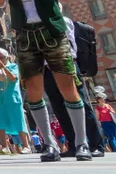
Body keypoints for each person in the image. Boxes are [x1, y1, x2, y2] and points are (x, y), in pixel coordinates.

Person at [0, 0, 91, 162]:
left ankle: (82, 143)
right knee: (34, 90)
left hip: (52, 33)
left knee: (68, 87)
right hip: (26, 36)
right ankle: (49, 144)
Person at [41, 18, 104, 157]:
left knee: (80, 103)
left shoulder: (62, 20)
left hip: (66, 64)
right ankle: (73, 144)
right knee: (59, 108)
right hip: (46, 68)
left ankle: (95, 144)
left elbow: (63, 42)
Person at [0, 49, 32, 154]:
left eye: (1, 58)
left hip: (13, 98)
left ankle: (26, 146)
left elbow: (13, 78)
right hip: (0, 98)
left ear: (7, 58)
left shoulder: (13, 66)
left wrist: (3, 67)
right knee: (0, 121)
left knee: (19, 120)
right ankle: (4, 147)